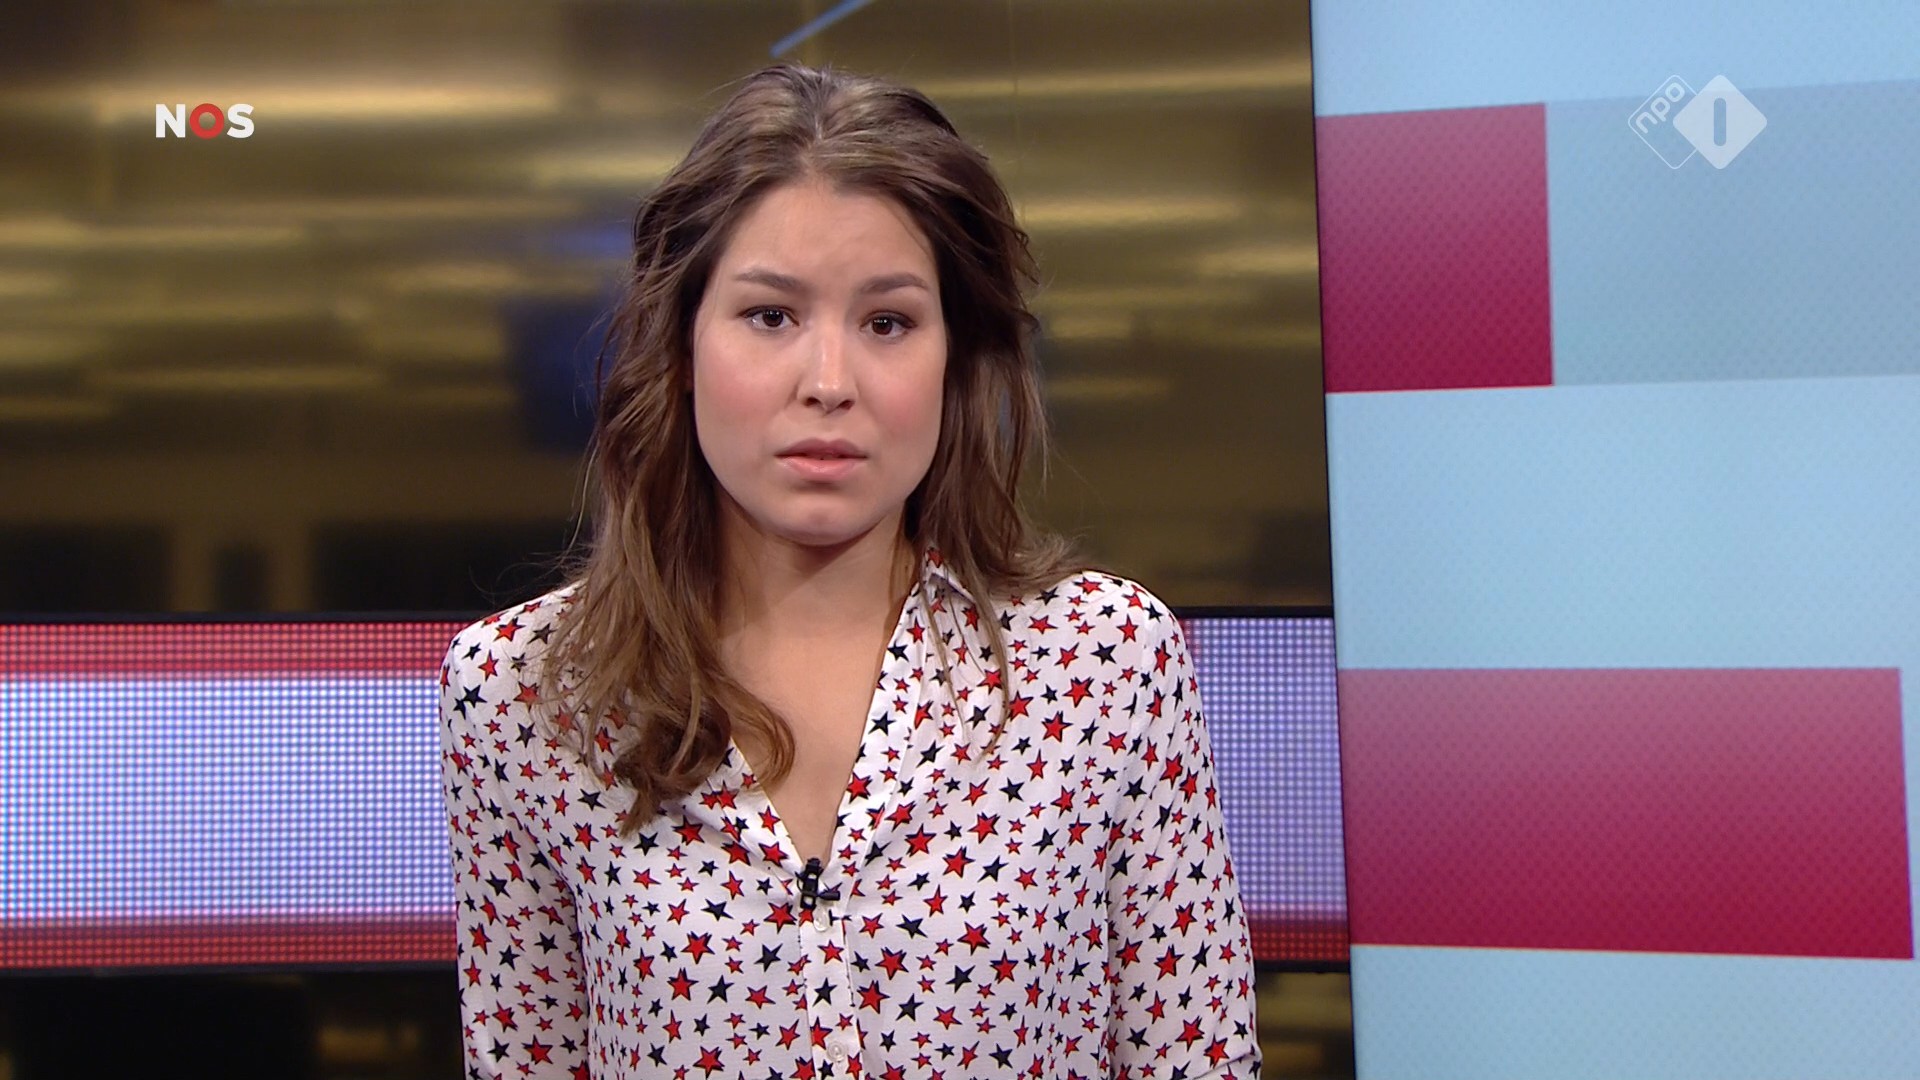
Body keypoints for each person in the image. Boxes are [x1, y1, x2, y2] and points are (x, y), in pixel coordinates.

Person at [437, 62, 1260, 1079]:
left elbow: (1195, 1057)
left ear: (956, 361)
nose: (828, 383)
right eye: (770, 317)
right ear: (681, 344)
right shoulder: (526, 693)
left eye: (887, 323)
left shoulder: (1104, 665)